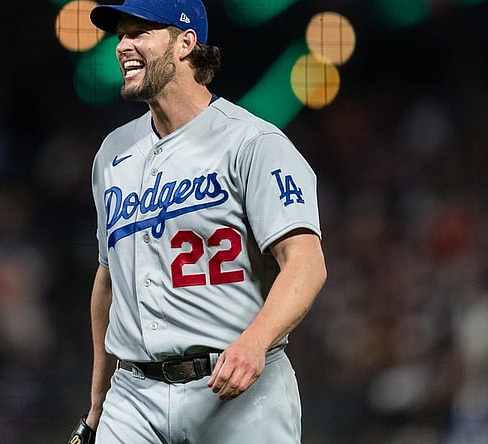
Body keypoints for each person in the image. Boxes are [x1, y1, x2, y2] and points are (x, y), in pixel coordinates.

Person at [73, 0, 327, 442]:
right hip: (133, 396)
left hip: (238, 391)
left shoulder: (253, 143)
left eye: (139, 32)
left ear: (186, 43)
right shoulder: (113, 152)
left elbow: (306, 262)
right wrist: (97, 407)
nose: (123, 46)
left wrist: (256, 341)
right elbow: (109, 282)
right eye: (121, 35)